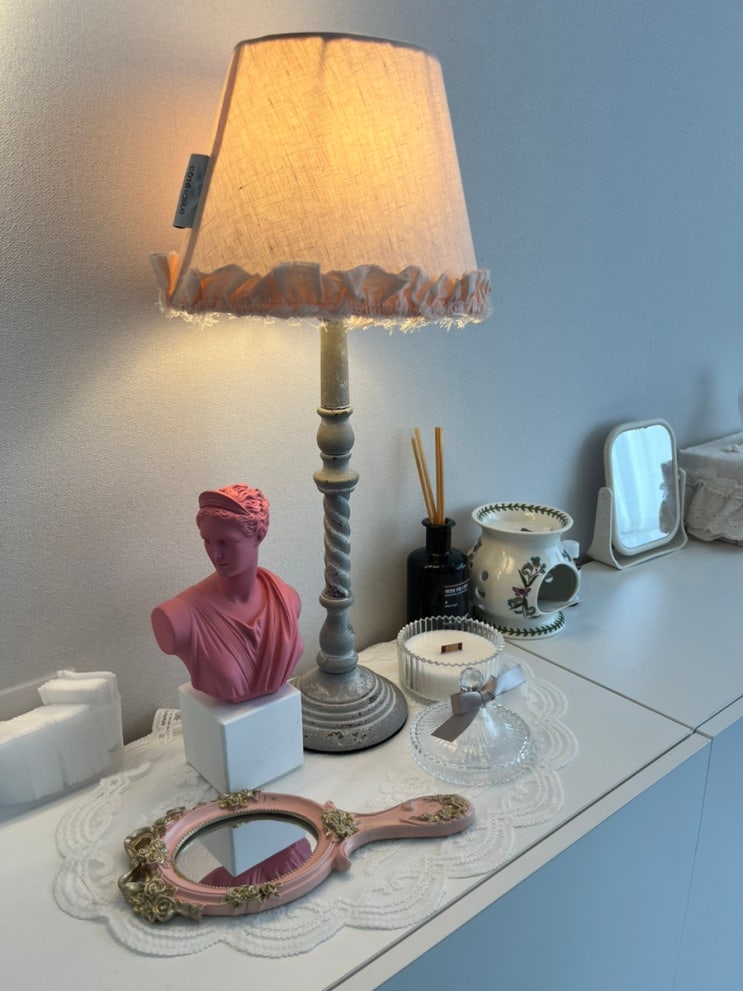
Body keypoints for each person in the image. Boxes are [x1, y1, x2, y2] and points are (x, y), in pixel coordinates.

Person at [151, 485, 303, 703]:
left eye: (225, 542)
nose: (215, 554)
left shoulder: (287, 599)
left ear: (258, 536)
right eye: (207, 541)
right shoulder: (177, 617)